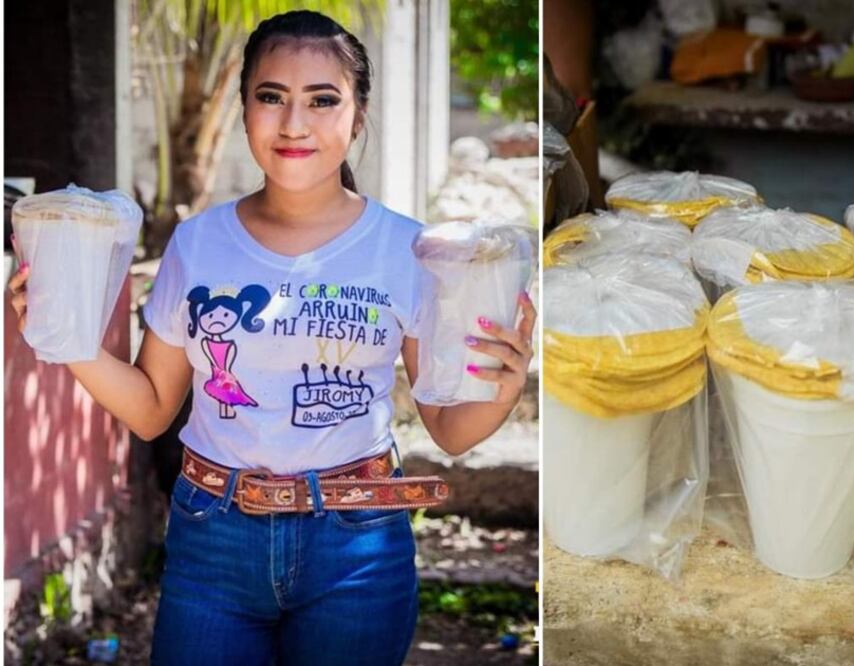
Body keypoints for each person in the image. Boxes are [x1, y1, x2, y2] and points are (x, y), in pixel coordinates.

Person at [7, 10, 535, 665]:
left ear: (358, 116)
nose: (294, 123)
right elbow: (150, 411)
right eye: (271, 96)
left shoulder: (408, 250)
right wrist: (66, 338)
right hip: (213, 538)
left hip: (356, 546)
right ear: (245, 109)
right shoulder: (198, 243)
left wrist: (505, 386)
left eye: (323, 100)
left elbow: (450, 431)